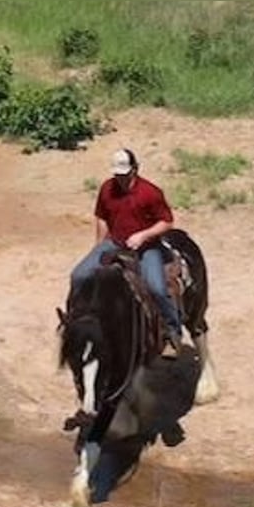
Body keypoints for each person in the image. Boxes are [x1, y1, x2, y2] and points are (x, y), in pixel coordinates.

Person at [70, 148, 182, 358]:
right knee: (79, 275)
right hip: (114, 242)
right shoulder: (107, 189)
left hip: (146, 247)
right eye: (117, 175)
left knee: (156, 287)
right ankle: (76, 320)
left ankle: (171, 333)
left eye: (125, 174)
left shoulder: (150, 192)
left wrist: (143, 235)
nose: (120, 179)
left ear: (135, 169)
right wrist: (98, 246)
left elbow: (166, 222)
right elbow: (102, 216)